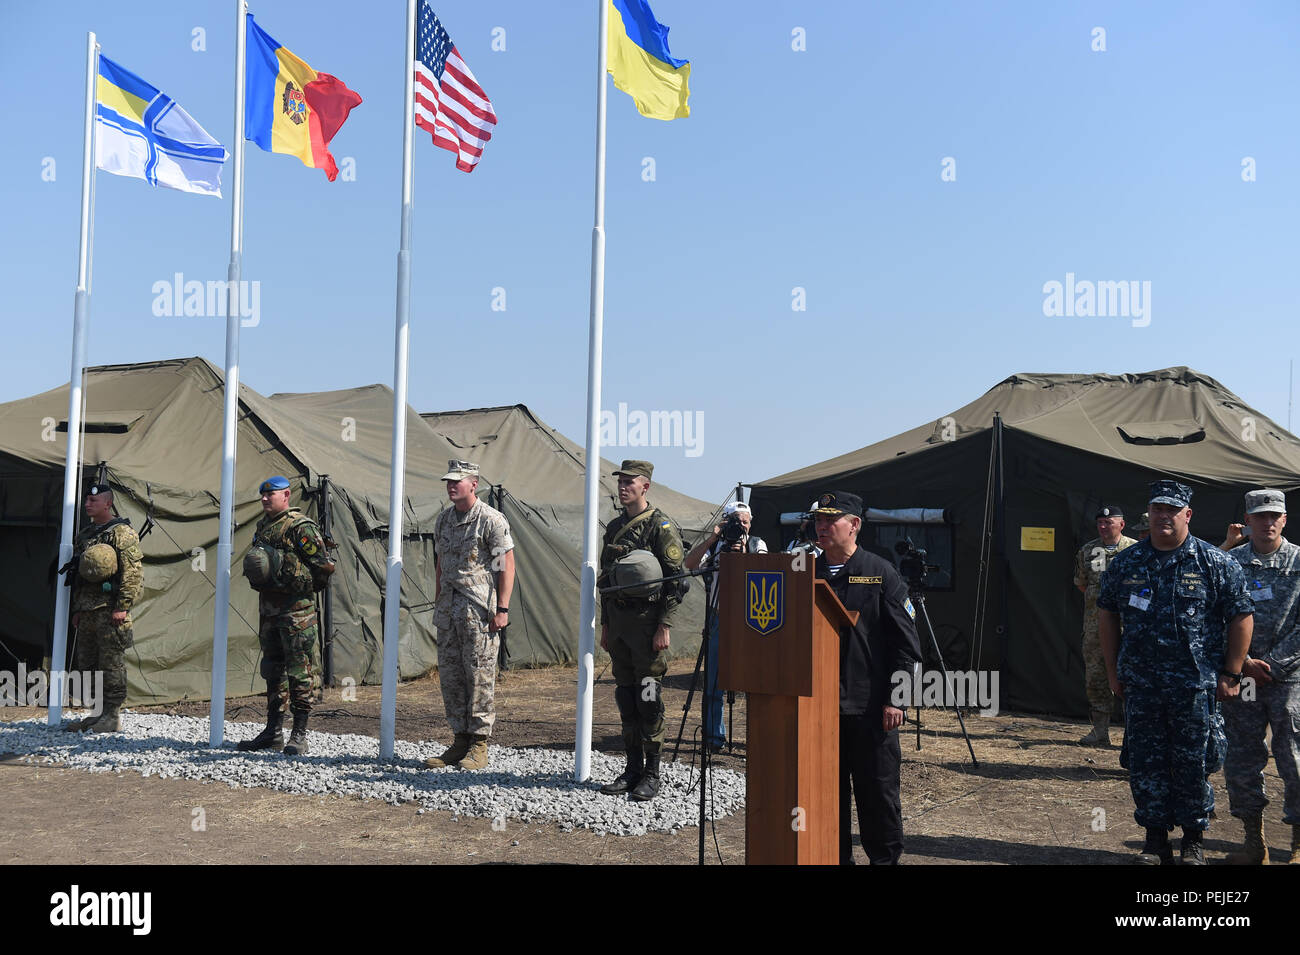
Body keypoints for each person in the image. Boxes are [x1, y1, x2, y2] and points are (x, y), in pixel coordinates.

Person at [1098, 480, 1253, 865]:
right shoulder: (1127, 562)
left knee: (1193, 763)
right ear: (1148, 514)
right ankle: (1154, 840)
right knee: (1145, 763)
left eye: (1172, 509)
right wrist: (1113, 672)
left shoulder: (1214, 562)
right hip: (1142, 685)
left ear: (1187, 515)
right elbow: (1107, 615)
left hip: (1194, 686)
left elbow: (1241, 616)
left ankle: (1194, 840)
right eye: (1157, 509)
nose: (1163, 516)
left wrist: (1232, 673)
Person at [812, 490, 922, 865]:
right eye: (818, 521)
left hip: (871, 708)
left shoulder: (880, 573)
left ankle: (884, 860)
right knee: (829, 797)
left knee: (877, 796)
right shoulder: (805, 574)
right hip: (819, 709)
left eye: (831, 520)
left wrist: (898, 698)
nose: (822, 527)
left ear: (854, 525)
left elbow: (906, 645)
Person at [1220, 488, 1300, 864]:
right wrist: (1243, 662)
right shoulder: (1229, 564)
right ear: (1247, 520)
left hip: (1289, 680)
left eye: (1275, 516)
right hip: (1246, 679)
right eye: (1260, 516)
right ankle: (1255, 842)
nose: (1268, 522)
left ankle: (1299, 844)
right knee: (1243, 756)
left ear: (1284, 519)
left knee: (1294, 758)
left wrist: (1277, 665)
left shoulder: (1299, 562)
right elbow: (1216, 617)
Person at [597, 460, 685, 802]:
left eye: (629, 482)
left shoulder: (660, 526)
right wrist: (605, 624)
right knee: (626, 697)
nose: (622, 487)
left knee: (649, 698)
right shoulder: (615, 526)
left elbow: (676, 582)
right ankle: (632, 768)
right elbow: (606, 580)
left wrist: (664, 625)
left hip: (648, 626)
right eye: (620, 481)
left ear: (645, 486)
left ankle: (652, 773)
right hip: (619, 627)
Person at [423, 460, 515, 771]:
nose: (451, 486)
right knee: (451, 677)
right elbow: (440, 563)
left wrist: (502, 609)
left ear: (473, 484)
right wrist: (438, 599)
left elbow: (505, 566)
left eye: (457, 481)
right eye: (448, 481)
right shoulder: (444, 519)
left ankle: (479, 745)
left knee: (479, 676)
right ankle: (459, 740)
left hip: (479, 612)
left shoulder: (491, 519)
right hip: (449, 611)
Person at [239, 475, 335, 756]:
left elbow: (323, 569)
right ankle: (273, 731)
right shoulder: (263, 526)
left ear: (286, 495)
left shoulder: (300, 527)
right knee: (272, 669)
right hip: (269, 610)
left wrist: (291, 578)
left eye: (271, 494)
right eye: (263, 495)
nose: (265, 499)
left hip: (297, 613)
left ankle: (299, 734)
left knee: (300, 672)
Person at [684, 500, 767, 752]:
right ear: (725, 522)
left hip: (751, 620)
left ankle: (758, 737)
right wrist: (712, 541)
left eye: (745, 521)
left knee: (755, 680)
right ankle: (714, 737)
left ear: (751, 523)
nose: (740, 526)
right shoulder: (717, 546)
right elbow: (690, 565)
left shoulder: (756, 544)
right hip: (718, 616)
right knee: (713, 681)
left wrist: (742, 554)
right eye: (735, 521)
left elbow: (764, 572)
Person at [63, 484, 143, 733]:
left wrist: (122, 606)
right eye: (87, 500)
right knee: (88, 663)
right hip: (87, 610)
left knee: (111, 664)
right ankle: (97, 713)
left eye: (93, 500)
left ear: (107, 503)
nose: (88, 504)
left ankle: (112, 715)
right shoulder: (85, 535)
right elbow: (79, 576)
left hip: (110, 610)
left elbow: (133, 572)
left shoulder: (122, 533)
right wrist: (77, 609)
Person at [1072, 505, 1137, 745]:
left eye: (1108, 523)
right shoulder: (1088, 550)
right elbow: (1082, 584)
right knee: (1096, 677)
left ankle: (1133, 733)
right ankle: (1100, 731)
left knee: (1131, 677)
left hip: (1129, 627)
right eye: (1100, 522)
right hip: (1095, 627)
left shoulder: (1135, 550)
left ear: (1121, 524)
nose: (1103, 527)